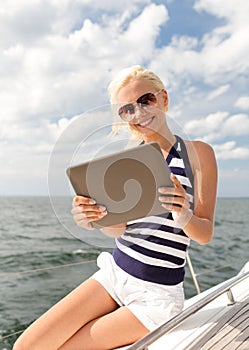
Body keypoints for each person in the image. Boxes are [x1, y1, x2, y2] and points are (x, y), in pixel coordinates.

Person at [14, 65, 217, 350]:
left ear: (164, 98)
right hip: (115, 274)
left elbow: (205, 233)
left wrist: (183, 213)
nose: (139, 113)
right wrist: (94, 218)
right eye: (126, 110)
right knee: (26, 346)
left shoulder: (199, 154)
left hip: (156, 294)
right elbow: (119, 230)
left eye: (146, 100)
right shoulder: (125, 162)